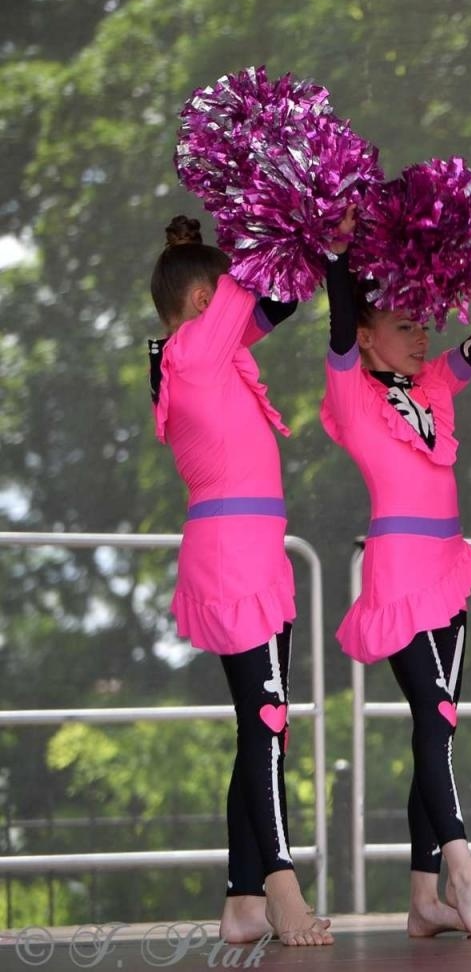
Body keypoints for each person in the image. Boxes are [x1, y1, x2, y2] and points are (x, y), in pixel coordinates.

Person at [322, 241, 471, 940]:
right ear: (368, 336)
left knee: (439, 729)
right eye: (403, 326)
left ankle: (422, 900)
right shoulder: (350, 389)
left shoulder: (433, 384)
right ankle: (463, 872)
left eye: (422, 324)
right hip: (400, 572)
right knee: (435, 718)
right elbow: (338, 323)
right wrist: (336, 253)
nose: (420, 336)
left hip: (449, 568)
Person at [147, 215, 330, 946]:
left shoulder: (207, 355)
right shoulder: (194, 351)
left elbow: (277, 300)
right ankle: (282, 891)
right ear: (204, 302)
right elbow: (263, 280)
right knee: (267, 720)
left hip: (252, 551)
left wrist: (327, 241)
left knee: (263, 724)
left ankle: (243, 900)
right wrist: (302, 215)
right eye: (226, 298)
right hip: (233, 553)